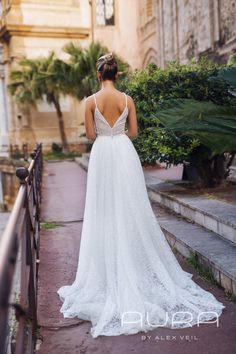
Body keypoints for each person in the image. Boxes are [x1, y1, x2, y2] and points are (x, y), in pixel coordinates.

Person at [57, 53, 225, 338]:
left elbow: (89, 134)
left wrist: (102, 128)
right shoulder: (128, 100)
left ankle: (109, 271)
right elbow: (133, 132)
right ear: (117, 74)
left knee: (104, 210)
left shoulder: (89, 102)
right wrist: (118, 129)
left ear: (99, 75)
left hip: (103, 155)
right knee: (130, 208)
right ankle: (133, 266)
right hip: (124, 152)